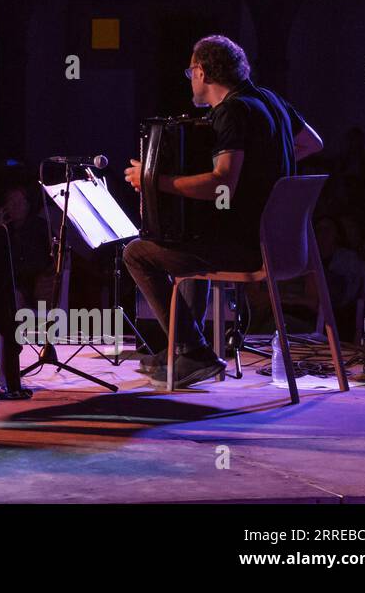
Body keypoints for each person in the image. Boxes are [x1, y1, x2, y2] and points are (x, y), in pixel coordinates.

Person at [123, 35, 323, 387]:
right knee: (193, 238)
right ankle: (182, 350)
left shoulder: (232, 111)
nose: (191, 79)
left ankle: (194, 352)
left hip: (248, 250)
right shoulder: (269, 99)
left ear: (201, 71)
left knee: (137, 253)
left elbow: (222, 185)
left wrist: (155, 181)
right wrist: (265, 166)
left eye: (191, 71)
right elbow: (312, 143)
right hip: (287, 249)